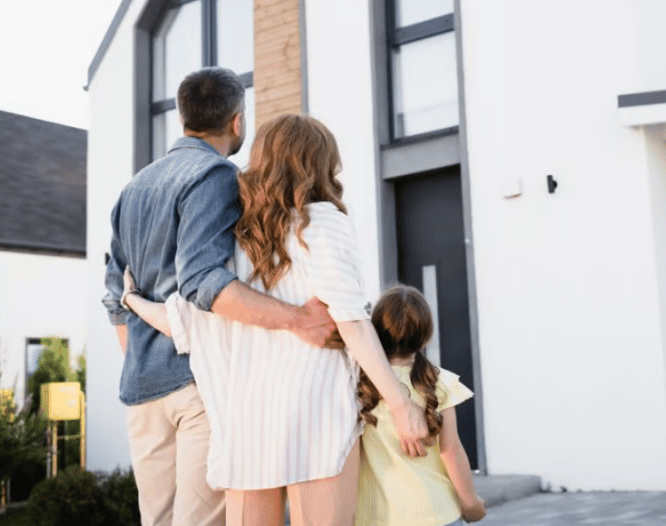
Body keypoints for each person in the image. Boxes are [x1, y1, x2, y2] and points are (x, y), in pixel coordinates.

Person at [120, 113, 428, 526]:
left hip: (247, 427)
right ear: (319, 164)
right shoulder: (322, 222)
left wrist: (131, 299)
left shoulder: (230, 241)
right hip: (317, 419)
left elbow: (183, 320)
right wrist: (401, 403)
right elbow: (352, 323)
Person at [104, 68, 360, 526]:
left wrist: (144, 361)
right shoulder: (218, 177)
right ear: (237, 121)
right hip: (197, 383)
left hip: (142, 388)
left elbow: (115, 298)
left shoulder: (133, 188)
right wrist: (298, 319)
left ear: (183, 117)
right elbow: (204, 281)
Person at [356, 284, 487, 526]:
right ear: (426, 335)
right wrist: (471, 504)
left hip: (376, 517)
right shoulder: (439, 382)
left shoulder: (359, 386)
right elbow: (451, 450)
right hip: (437, 512)